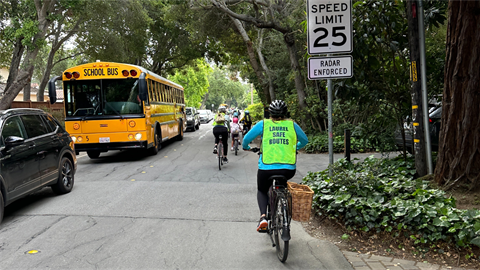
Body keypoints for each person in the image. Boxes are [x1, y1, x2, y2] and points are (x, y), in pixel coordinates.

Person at [242, 100, 308, 232]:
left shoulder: (263, 124)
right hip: (288, 169)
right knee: (282, 185)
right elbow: (304, 141)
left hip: (266, 168)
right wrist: (294, 148)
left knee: (262, 189)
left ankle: (263, 217)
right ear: (285, 113)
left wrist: (247, 148)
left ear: (270, 113)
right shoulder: (292, 125)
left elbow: (245, 140)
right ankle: (283, 206)